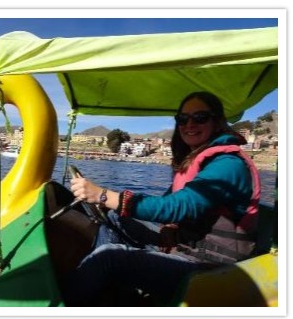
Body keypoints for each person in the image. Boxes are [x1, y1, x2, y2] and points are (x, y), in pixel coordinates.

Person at [63, 91, 261, 306]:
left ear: (217, 121)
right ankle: (116, 293)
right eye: (183, 119)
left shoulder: (228, 165)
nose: (189, 124)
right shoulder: (198, 161)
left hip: (211, 269)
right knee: (115, 218)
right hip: (186, 246)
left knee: (109, 258)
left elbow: (178, 207)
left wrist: (102, 195)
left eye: (200, 117)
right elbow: (169, 205)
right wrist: (169, 225)